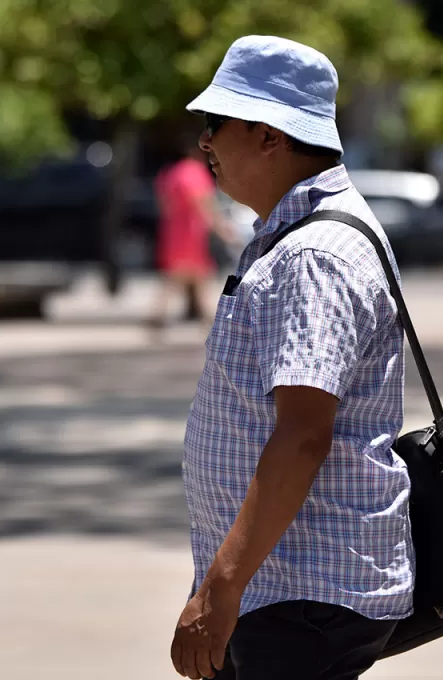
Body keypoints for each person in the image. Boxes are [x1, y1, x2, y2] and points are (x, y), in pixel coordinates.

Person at [170, 35, 413, 680]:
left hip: (302, 592)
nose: (205, 143)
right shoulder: (298, 235)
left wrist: (221, 588)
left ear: (270, 136)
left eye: (215, 124)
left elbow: (304, 434)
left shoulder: (313, 255)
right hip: (289, 586)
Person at [149, 134, 240, 330]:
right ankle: (212, 321)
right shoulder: (193, 172)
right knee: (198, 276)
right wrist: (222, 228)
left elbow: (162, 204)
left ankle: (161, 315)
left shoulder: (170, 173)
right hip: (192, 233)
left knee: (182, 276)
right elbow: (205, 203)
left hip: (173, 231)